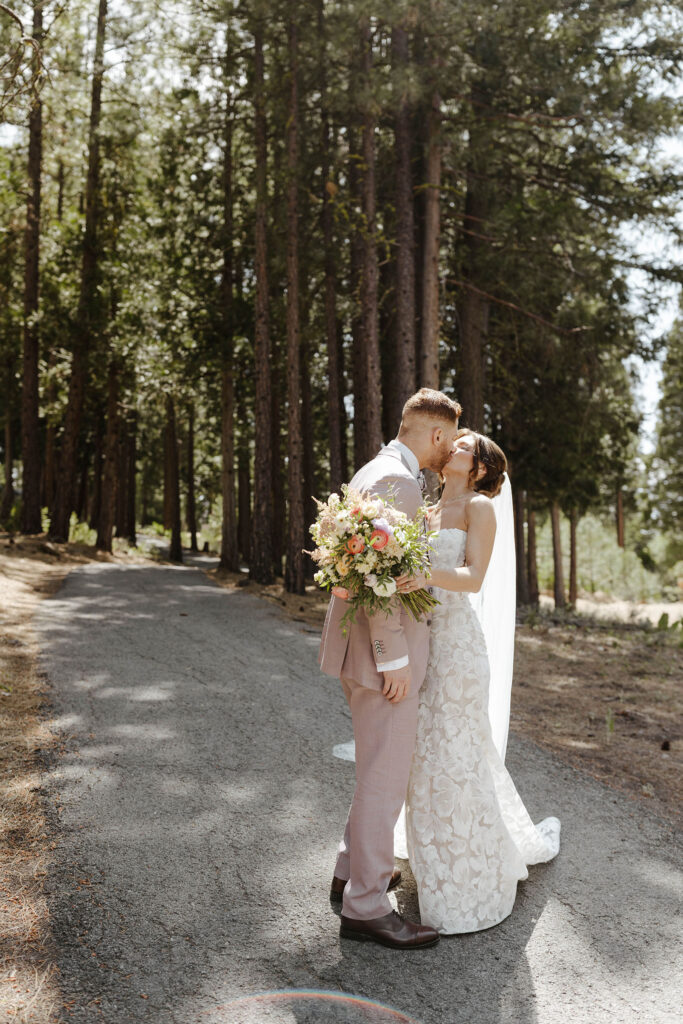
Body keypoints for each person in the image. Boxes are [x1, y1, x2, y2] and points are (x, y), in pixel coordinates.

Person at [396, 429, 560, 934]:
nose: (452, 448)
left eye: (464, 447)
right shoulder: (423, 511)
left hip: (459, 648)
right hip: (422, 639)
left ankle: (469, 873)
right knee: (423, 751)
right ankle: (433, 854)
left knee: (456, 752)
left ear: (481, 468)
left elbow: (473, 578)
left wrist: (423, 577)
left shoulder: (479, 509)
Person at [318, 387, 462, 950]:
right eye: (447, 440)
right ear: (433, 433)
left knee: (376, 768)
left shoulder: (374, 471)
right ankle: (366, 906)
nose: (448, 451)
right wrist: (393, 658)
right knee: (385, 778)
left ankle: (348, 868)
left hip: (364, 649)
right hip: (384, 658)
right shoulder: (398, 482)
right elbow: (378, 579)